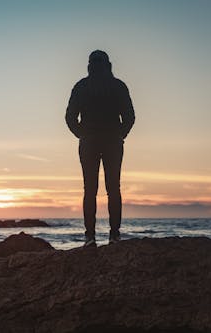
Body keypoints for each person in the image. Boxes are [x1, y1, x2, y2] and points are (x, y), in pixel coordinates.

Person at [65, 50, 135, 248]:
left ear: (90, 65)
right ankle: (113, 236)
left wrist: (83, 135)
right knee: (113, 189)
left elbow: (70, 118)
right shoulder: (117, 86)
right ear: (108, 65)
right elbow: (129, 117)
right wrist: (120, 134)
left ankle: (91, 237)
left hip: (93, 142)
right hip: (110, 141)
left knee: (91, 190)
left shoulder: (82, 86)